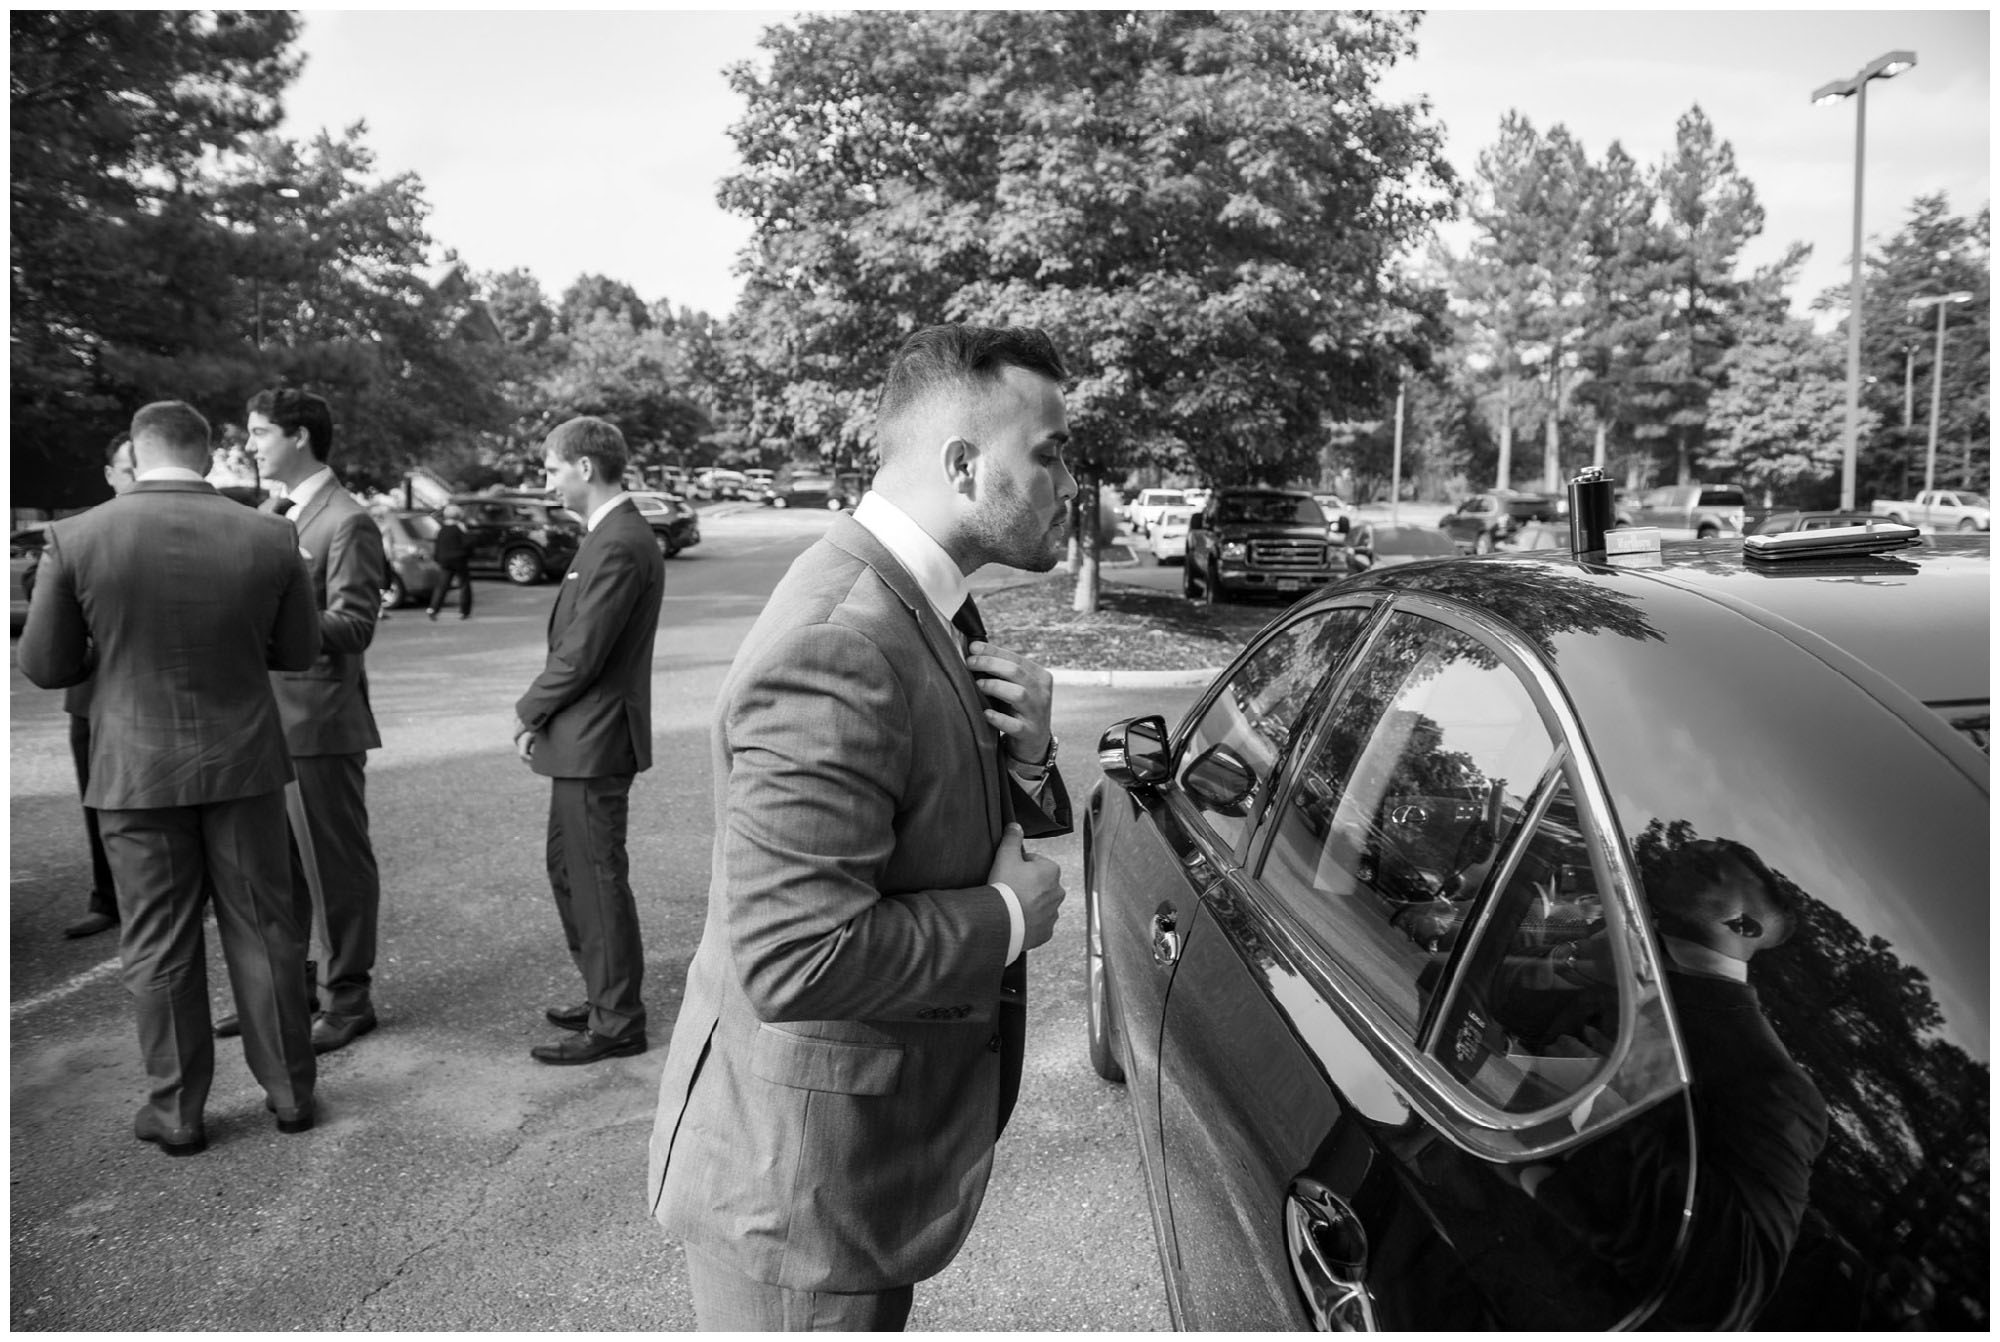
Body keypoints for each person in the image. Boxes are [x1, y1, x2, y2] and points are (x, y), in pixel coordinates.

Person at [646, 323, 1075, 1330]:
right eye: (1048, 452)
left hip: (848, 1170)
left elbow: (922, 815)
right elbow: (795, 956)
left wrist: (1027, 760)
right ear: (963, 465)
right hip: (799, 1198)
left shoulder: (922, 600)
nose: (1069, 481)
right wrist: (1007, 919)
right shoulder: (843, 640)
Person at [18, 400, 321, 1155]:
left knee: (157, 943)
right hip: (244, 764)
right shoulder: (269, 532)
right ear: (202, 451)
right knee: (265, 932)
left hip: (134, 771)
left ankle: (178, 1110)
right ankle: (289, 1092)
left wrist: (110, 660)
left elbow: (46, 666)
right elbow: (298, 652)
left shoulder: (77, 536)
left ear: (139, 450)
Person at [513, 417, 665, 1066]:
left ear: (584, 467)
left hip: (594, 740)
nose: (546, 480)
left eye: (551, 468)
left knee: (595, 879)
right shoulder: (608, 537)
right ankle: (605, 993)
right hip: (583, 740)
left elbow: (582, 654)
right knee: (571, 871)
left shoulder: (618, 542)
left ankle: (616, 1019)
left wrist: (528, 711)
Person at [244, 387, 388, 1054]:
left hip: (320, 720)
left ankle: (349, 998)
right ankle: (291, 989)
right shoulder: (270, 512)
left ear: (300, 436)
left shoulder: (348, 520)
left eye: (260, 432)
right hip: (263, 720)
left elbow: (355, 626)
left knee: (335, 869)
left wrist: (269, 623)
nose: (250, 446)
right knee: (276, 871)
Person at [51, 432, 140, 939]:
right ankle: (106, 896)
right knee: (95, 799)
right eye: (127, 470)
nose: (136, 478)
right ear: (110, 475)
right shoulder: (79, 535)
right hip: (90, 692)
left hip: (147, 690)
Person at [427, 503, 473, 620]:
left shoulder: (441, 529)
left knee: (442, 585)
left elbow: (438, 546)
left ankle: (433, 608)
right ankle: (464, 610)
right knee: (464, 584)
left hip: (445, 560)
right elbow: (468, 543)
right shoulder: (460, 528)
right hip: (459, 559)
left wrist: (437, 558)